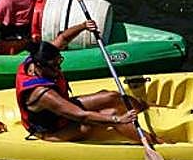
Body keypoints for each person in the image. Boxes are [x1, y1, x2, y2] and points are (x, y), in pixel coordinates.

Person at [16, 21, 153, 143]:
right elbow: (81, 115)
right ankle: (157, 143)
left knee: (111, 96)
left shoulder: (42, 56)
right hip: (53, 130)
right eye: (55, 65)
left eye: (59, 61)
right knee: (111, 114)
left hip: (58, 113)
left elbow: (63, 38)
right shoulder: (43, 94)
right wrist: (119, 120)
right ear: (40, 66)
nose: (59, 67)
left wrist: (83, 26)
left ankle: (144, 107)